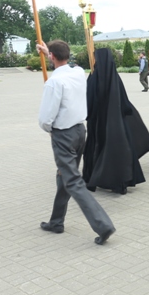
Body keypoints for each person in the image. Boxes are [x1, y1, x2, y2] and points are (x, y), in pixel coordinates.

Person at [36, 40, 115, 245]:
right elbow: (67, 64)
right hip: (80, 131)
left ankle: (103, 225)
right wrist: (48, 52)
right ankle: (56, 221)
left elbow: (46, 117)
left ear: (52, 56)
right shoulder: (78, 72)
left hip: (63, 134)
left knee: (72, 181)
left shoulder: (54, 82)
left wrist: (48, 129)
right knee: (65, 175)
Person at [83, 48, 149, 194]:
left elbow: (88, 103)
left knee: (96, 149)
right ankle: (120, 182)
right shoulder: (116, 79)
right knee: (119, 151)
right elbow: (125, 103)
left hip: (97, 123)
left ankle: (94, 177)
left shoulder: (93, 77)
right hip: (116, 125)